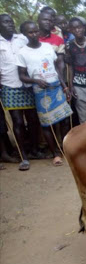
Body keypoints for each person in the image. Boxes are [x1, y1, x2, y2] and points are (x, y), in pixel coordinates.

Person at [17, 21, 72, 167]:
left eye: (36, 31)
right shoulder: (22, 52)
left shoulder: (47, 47)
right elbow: (22, 75)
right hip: (41, 90)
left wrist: (64, 85)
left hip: (56, 86)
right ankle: (56, 154)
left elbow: (55, 69)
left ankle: (66, 148)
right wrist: (35, 80)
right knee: (48, 124)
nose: (34, 34)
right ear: (25, 34)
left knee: (65, 120)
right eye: (30, 32)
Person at [0, 14, 41, 170]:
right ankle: (23, 156)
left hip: (28, 85)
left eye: (11, 21)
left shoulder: (22, 39)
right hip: (9, 85)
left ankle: (34, 150)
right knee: (17, 121)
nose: (10, 24)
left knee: (32, 120)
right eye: (5, 22)